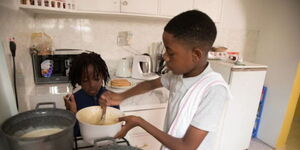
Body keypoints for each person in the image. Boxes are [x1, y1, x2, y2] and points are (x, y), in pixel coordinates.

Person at [101, 10, 232, 150]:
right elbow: (150, 84)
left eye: (170, 52)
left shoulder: (214, 90)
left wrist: (139, 121)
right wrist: (121, 96)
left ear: (196, 55)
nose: (164, 57)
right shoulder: (178, 75)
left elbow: (186, 147)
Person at [63, 52, 118, 136]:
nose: (91, 85)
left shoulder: (111, 98)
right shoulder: (75, 100)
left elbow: (117, 129)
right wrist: (72, 113)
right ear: (79, 80)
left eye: (96, 78)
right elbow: (73, 134)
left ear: (102, 76)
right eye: (85, 80)